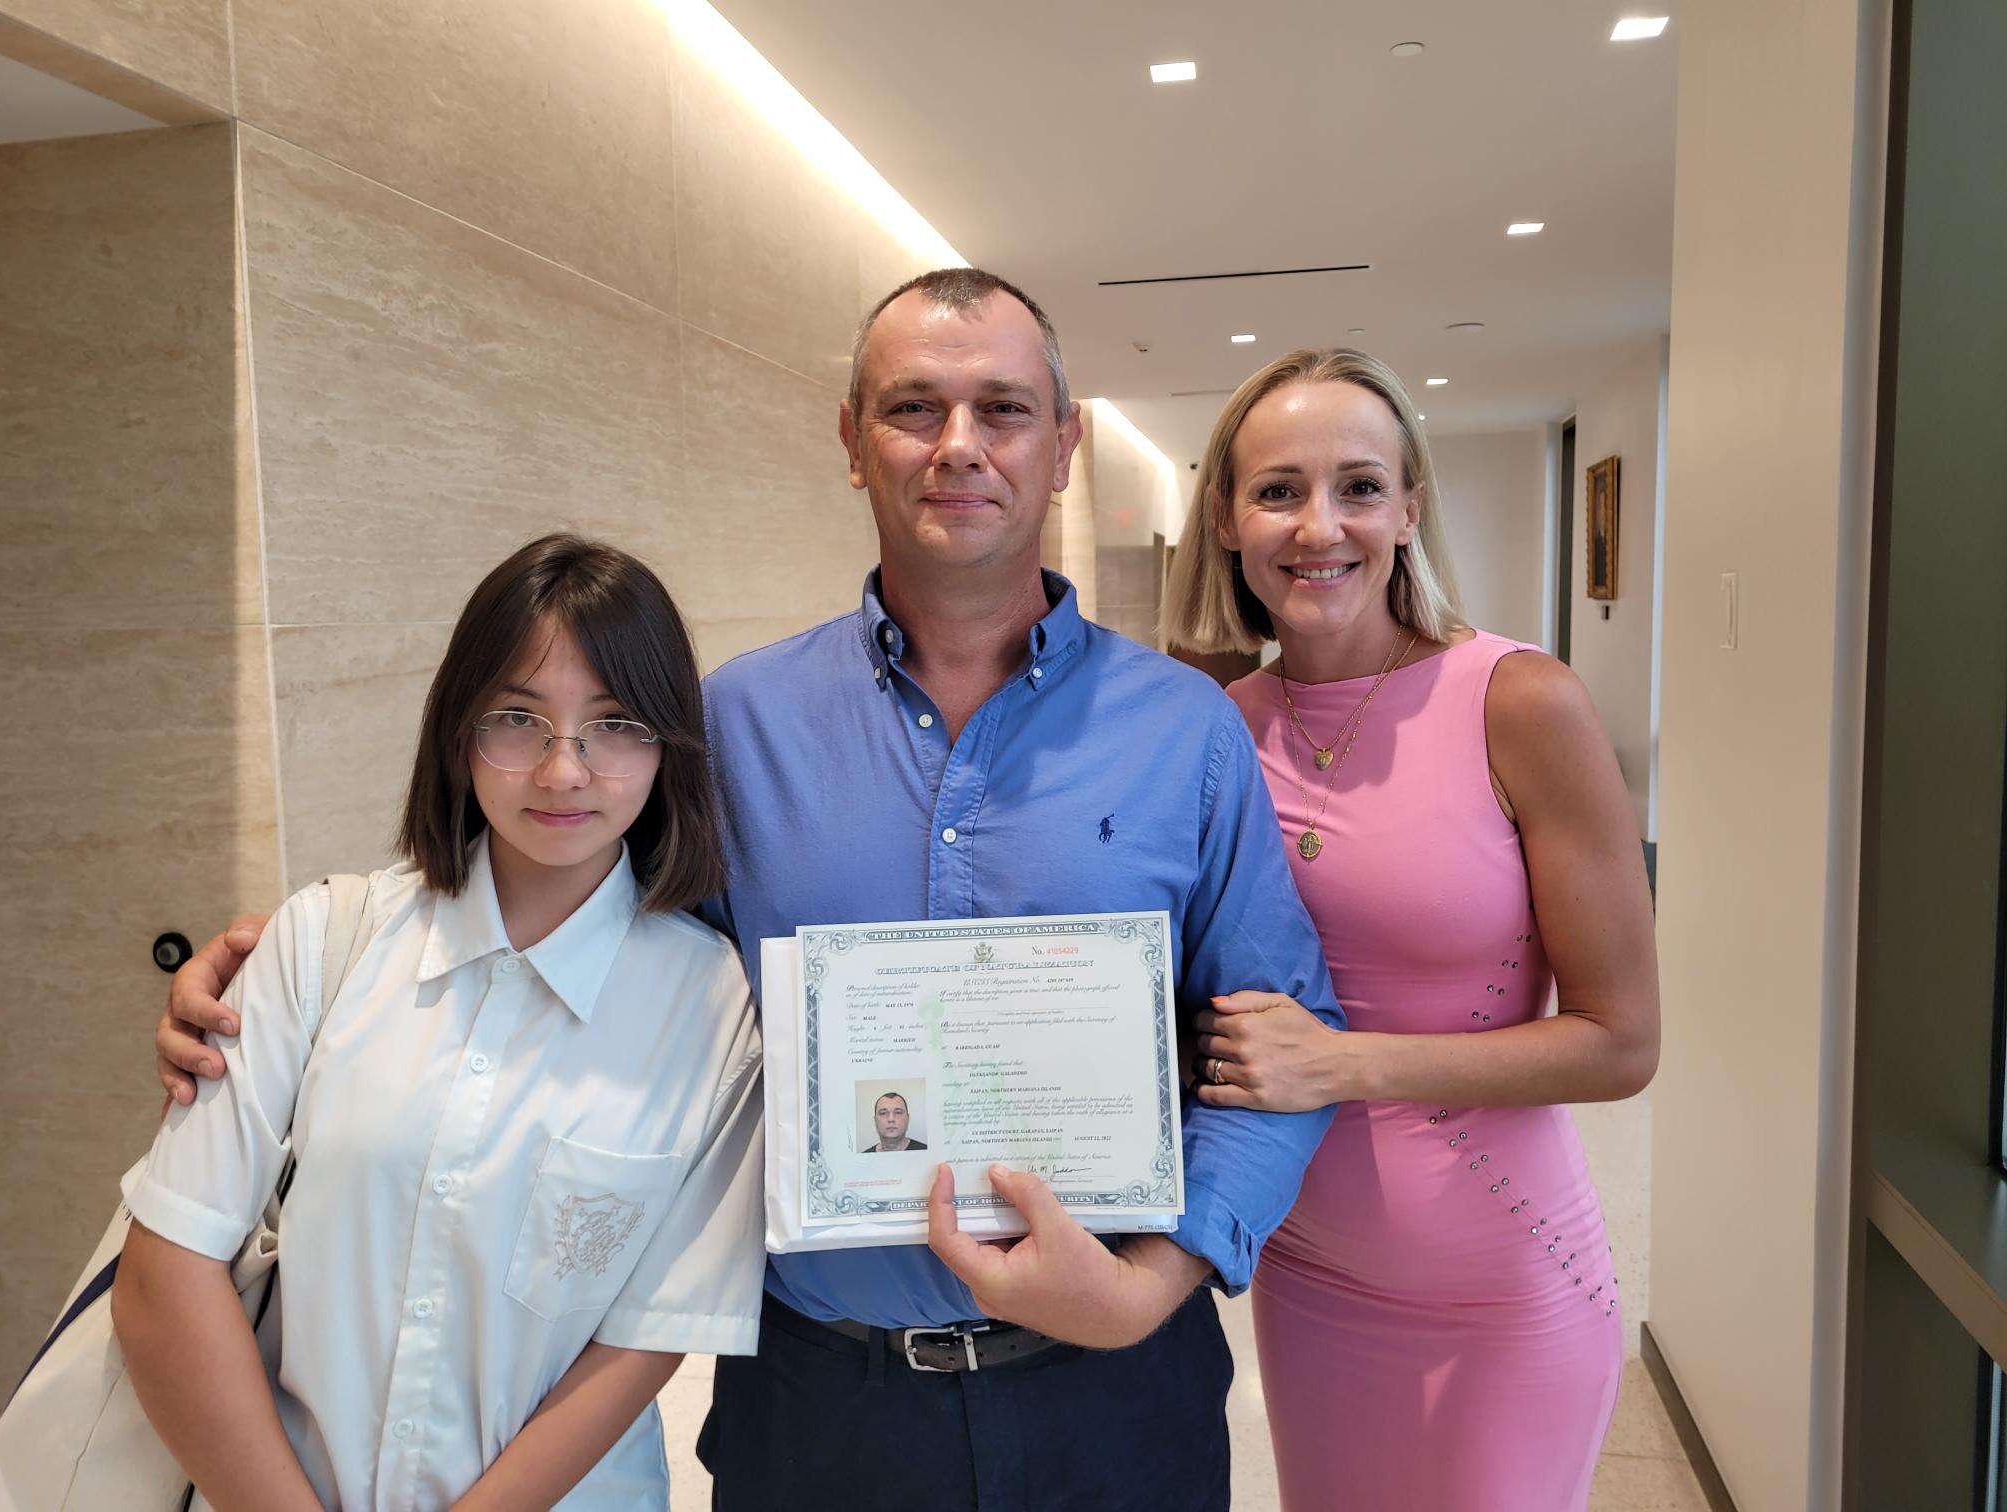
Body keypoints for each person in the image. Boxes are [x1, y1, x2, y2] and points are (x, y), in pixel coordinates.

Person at [156, 269, 1344, 1510]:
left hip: (1115, 1392)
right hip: (819, 1409)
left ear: (1063, 443)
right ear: (849, 440)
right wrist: (287, 983)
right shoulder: (730, 728)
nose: (959, 447)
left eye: (1002, 409)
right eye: (912, 409)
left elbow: (1279, 1050)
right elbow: (564, 918)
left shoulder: (1184, 734)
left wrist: (1147, 1285)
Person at [118, 535, 764, 1510]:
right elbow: (167, 1270)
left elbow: (646, 1336)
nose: (562, 771)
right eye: (517, 719)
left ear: (668, 743)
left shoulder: (712, 1006)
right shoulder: (320, 943)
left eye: (615, 723)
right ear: (459, 730)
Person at [1163, 348, 1661, 1512]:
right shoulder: (1217, 727)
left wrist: (1345, 1063)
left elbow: (1622, 1042)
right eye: (1278, 489)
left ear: (1410, 510)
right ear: (1229, 522)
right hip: (1305, 1269)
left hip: (1499, 1281)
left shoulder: (1520, 700)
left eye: (1360, 487)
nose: (1319, 525)